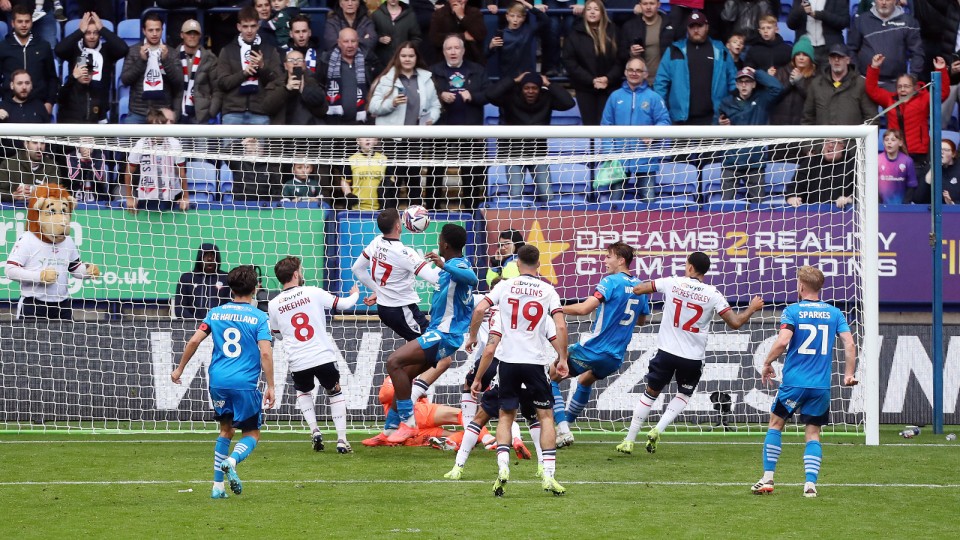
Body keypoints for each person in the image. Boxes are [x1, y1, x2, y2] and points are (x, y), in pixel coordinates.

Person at [617, 252, 763, 454]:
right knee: (684, 393)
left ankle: (629, 440)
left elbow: (639, 288)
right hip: (692, 358)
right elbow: (736, 323)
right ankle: (658, 429)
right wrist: (752, 308)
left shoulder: (672, 282)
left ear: (690, 267)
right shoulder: (713, 294)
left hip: (666, 352)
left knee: (651, 393)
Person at [466, 244, 568, 496]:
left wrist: (472, 337)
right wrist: (562, 357)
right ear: (538, 264)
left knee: (505, 416)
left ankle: (503, 468)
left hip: (508, 362)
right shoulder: (547, 290)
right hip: (535, 362)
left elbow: (480, 309)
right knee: (545, 417)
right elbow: (560, 325)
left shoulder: (504, 285)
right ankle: (548, 474)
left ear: (518, 263)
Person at [171, 265, 276, 500]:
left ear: (230, 288)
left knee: (225, 430)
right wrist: (271, 386)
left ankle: (217, 487)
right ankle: (232, 460)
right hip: (244, 383)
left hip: (217, 381)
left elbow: (194, 341)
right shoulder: (260, 317)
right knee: (251, 433)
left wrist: (179, 369)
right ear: (256, 288)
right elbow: (266, 353)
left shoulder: (215, 313)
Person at [752, 265, 857, 498]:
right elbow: (849, 344)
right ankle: (810, 484)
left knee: (776, 424)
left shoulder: (793, 311)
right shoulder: (835, 313)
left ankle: (768, 478)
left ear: (801, 286)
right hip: (820, 386)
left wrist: (768, 362)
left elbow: (782, 342)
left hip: (794, 383)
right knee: (813, 433)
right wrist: (848, 373)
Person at [352, 210, 451, 447]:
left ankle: (389, 428)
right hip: (405, 312)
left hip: (386, 311)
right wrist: (444, 262)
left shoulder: (376, 243)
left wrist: (378, 290)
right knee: (441, 354)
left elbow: (357, 269)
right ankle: (408, 420)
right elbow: (436, 278)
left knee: (407, 371)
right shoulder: (405, 253)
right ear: (399, 226)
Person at [382, 224, 477, 445]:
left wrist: (444, 265)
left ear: (444, 244)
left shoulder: (458, 264)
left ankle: (408, 422)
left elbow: (472, 278)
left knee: (394, 361)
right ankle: (388, 430)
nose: (438, 243)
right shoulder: (448, 268)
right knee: (403, 373)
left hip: (445, 334)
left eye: (439, 239)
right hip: (439, 331)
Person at [552, 242, 650, 448]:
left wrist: (556, 309)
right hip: (614, 356)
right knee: (584, 381)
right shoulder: (641, 286)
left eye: (608, 256)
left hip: (594, 349)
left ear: (621, 260)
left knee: (549, 378)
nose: (604, 260)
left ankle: (562, 428)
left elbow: (584, 309)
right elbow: (642, 321)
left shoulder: (610, 282)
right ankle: (567, 425)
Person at [268, 256, 359, 453]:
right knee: (334, 391)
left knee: (303, 391)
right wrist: (356, 294)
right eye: (300, 270)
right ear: (295, 274)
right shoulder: (313, 292)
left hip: (298, 360)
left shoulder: (273, 303)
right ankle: (342, 440)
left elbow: (276, 335)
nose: (302, 273)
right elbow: (343, 305)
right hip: (322, 355)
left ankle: (315, 431)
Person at [4, 183, 102, 320]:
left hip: (63, 305)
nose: (61, 220)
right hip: (34, 304)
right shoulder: (27, 239)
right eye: (52, 212)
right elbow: (10, 270)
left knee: (67, 341)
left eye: (63, 212)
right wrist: (40, 276)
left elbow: (74, 268)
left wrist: (87, 271)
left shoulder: (67, 240)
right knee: (30, 342)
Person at [866, 54, 949, 203]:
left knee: (915, 193)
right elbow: (872, 90)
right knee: (895, 193)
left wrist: (941, 69)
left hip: (918, 155)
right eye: (899, 86)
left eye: (906, 86)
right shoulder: (889, 99)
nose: (902, 89)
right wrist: (874, 67)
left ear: (915, 87)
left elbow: (942, 93)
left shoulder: (924, 99)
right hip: (896, 154)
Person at [368, 41, 440, 206]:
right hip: (391, 140)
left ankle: (416, 222)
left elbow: (435, 106)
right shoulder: (386, 78)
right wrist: (392, 103)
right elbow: (373, 107)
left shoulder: (426, 78)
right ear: (398, 58)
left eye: (411, 56)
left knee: (414, 182)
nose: (407, 59)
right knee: (391, 182)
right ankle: (388, 218)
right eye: (404, 56)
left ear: (416, 57)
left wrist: (431, 119)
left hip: (415, 139)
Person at [487, 72, 576, 203]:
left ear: (540, 89)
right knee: (515, 195)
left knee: (548, 195)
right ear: (521, 88)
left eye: (534, 88)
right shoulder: (510, 97)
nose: (530, 91)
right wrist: (514, 79)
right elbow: (490, 95)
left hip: (538, 153)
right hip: (513, 154)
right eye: (526, 88)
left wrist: (549, 84)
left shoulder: (547, 98)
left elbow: (569, 103)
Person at [429, 33, 490, 209]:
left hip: (470, 129)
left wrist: (472, 96)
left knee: (471, 173)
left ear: (463, 50)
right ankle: (433, 209)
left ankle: (471, 211)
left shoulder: (477, 69)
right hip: (440, 128)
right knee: (435, 171)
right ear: (443, 51)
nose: (453, 52)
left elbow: (489, 94)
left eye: (456, 48)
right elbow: (424, 96)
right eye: (449, 48)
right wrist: (440, 96)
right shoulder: (433, 71)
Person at [599, 57, 671, 201]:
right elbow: (605, 127)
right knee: (615, 203)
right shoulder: (615, 97)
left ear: (645, 74)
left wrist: (653, 134)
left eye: (639, 70)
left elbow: (665, 122)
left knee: (649, 203)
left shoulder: (654, 97)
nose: (634, 73)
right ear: (625, 72)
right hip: (618, 160)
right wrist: (610, 154)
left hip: (646, 160)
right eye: (631, 70)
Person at [655, 10, 736, 125]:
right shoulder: (674, 51)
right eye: (692, 26)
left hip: (714, 119)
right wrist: (662, 113)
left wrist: (729, 111)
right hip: (681, 121)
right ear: (687, 29)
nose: (696, 30)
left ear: (707, 27)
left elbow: (733, 82)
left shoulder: (721, 51)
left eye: (700, 26)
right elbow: (660, 84)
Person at [717, 66, 782, 203]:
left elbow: (777, 88)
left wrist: (757, 72)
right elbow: (714, 127)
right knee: (726, 208)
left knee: (758, 209)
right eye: (741, 82)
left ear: (754, 84)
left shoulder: (762, 101)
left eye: (748, 81)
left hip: (755, 162)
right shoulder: (726, 103)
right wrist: (719, 124)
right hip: (731, 162)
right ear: (736, 84)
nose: (744, 85)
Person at [54, 11, 128, 124]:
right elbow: (59, 50)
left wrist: (103, 29)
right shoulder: (74, 49)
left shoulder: (107, 50)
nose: (92, 36)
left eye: (96, 33)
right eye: (88, 33)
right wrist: (79, 31)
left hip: (99, 108)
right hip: (75, 108)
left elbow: (123, 49)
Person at [216, 6, 285, 126]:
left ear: (258, 26)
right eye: (245, 26)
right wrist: (244, 73)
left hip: (260, 111)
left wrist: (263, 67)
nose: (249, 30)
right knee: (230, 146)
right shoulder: (227, 50)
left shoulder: (270, 50)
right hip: (233, 112)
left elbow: (278, 81)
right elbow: (222, 83)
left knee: (258, 146)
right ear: (239, 27)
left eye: (253, 26)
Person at [561, 0, 619, 126]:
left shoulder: (614, 31)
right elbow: (570, 62)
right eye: (589, 9)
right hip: (585, 89)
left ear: (602, 13)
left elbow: (621, 60)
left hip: (609, 88)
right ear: (584, 13)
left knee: (607, 127)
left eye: (596, 9)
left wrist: (607, 79)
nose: (592, 12)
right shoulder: (574, 34)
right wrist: (591, 80)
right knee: (589, 126)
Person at [119, 13, 183, 124]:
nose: (154, 34)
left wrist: (165, 60)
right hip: (138, 112)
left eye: (158, 30)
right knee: (126, 139)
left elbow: (178, 82)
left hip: (162, 112)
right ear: (144, 31)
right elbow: (125, 80)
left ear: (162, 30)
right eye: (151, 30)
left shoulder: (171, 52)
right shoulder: (133, 51)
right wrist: (141, 60)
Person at [124, 108, 189, 214]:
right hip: (147, 194)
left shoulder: (174, 144)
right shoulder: (141, 144)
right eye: (154, 126)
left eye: (161, 125)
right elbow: (128, 172)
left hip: (172, 193)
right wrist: (129, 197)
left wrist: (185, 197)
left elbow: (182, 173)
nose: (158, 130)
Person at [849, 0, 923, 92]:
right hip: (865, 81)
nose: (883, 2)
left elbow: (917, 52)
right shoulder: (861, 21)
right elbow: (851, 50)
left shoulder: (909, 22)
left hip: (895, 84)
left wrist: (913, 76)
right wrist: (856, 75)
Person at [0, 4, 57, 115]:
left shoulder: (44, 46)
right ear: (13, 23)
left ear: (32, 22)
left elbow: (52, 78)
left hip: (39, 106)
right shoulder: (2, 47)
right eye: (20, 21)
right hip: (9, 107)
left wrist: (50, 103)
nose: (24, 25)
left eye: (27, 21)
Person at [317, 27, 380, 126]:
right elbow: (319, 86)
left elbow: (377, 87)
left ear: (358, 42)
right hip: (334, 123)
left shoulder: (369, 60)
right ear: (339, 43)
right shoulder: (326, 61)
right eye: (346, 41)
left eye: (353, 41)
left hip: (363, 122)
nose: (350, 45)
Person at [801, 44, 876, 126]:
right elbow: (808, 118)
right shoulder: (816, 84)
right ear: (829, 60)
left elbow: (871, 119)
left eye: (840, 57)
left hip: (852, 138)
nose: (836, 60)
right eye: (833, 57)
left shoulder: (861, 84)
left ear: (848, 60)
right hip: (822, 138)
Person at [173, 19, 220, 125]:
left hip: (201, 117)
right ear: (182, 35)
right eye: (189, 33)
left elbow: (217, 88)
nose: (192, 36)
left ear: (200, 36)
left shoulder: (210, 58)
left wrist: (211, 112)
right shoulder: (172, 56)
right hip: (177, 115)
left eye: (196, 33)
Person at [619, 0, 677, 85]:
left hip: (665, 81)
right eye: (645, 3)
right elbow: (620, 54)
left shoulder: (670, 24)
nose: (648, 7)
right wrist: (631, 53)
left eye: (652, 3)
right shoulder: (629, 26)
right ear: (640, 5)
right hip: (639, 82)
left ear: (658, 4)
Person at [786, 138, 856, 208]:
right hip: (812, 213)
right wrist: (792, 197)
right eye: (827, 142)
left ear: (842, 145)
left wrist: (849, 199)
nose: (830, 145)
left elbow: (861, 190)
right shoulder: (810, 163)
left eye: (834, 142)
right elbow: (796, 184)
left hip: (844, 213)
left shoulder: (853, 164)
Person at [486, 1, 545, 80]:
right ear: (507, 16)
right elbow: (487, 55)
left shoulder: (529, 30)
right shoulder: (501, 34)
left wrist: (527, 4)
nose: (515, 19)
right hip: (507, 77)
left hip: (525, 75)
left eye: (519, 16)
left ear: (524, 18)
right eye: (512, 16)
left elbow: (545, 20)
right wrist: (490, 46)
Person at [174, 243, 232, 320]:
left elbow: (232, 306)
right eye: (206, 255)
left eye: (213, 255)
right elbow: (179, 308)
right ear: (199, 258)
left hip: (219, 325)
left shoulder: (227, 278)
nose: (210, 259)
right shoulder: (186, 278)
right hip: (192, 326)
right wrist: (196, 322)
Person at [339, 137, 398, 211]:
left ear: (376, 141)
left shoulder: (384, 159)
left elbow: (392, 179)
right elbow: (345, 181)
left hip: (380, 208)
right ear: (358, 141)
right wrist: (349, 195)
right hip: (357, 208)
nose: (367, 139)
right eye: (364, 137)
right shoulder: (351, 160)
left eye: (371, 137)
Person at [786, 0, 849, 67]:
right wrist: (799, 10)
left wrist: (821, 15)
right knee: (804, 77)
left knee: (829, 77)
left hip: (829, 49)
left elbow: (844, 22)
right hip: (806, 49)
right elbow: (791, 24)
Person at [274, 48, 326, 125]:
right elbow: (267, 107)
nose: (295, 63)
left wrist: (304, 90)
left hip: (308, 130)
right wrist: (286, 89)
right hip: (283, 131)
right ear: (285, 65)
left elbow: (322, 110)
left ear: (304, 64)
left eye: (299, 60)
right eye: (291, 60)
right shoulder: (277, 82)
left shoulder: (313, 82)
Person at [428, 0, 487, 66]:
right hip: (444, 62)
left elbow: (481, 35)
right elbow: (435, 38)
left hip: (472, 60)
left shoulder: (475, 12)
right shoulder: (439, 14)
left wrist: (462, 16)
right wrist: (462, 36)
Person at [229, 137, 283, 203]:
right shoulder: (237, 163)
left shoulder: (269, 166)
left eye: (256, 151)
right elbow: (224, 152)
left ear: (261, 151)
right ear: (244, 153)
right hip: (240, 204)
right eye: (249, 152)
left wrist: (273, 205)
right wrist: (241, 143)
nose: (253, 154)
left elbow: (277, 189)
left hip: (263, 206)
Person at [371, 0, 421, 67]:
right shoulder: (376, 15)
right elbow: (370, 37)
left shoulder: (410, 15)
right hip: (383, 63)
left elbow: (416, 37)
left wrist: (408, 48)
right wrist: (379, 39)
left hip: (404, 62)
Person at [878, 129, 917, 205]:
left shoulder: (907, 161)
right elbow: (872, 185)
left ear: (900, 143)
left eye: (893, 140)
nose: (889, 142)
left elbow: (912, 185)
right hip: (880, 207)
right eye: (886, 140)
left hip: (901, 207)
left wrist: (904, 204)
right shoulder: (878, 160)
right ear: (883, 142)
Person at [66, 137, 109, 203]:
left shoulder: (99, 155)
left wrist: (89, 161)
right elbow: (73, 178)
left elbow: (99, 178)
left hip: (96, 195)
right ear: (78, 144)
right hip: (77, 196)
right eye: (84, 142)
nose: (87, 146)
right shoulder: (71, 156)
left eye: (89, 142)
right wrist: (82, 161)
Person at [927, 139, 960, 205]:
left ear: (953, 154)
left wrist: (952, 203)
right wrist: (934, 168)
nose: (941, 152)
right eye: (939, 149)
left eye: (946, 150)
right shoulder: (930, 167)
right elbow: (919, 198)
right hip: (933, 211)